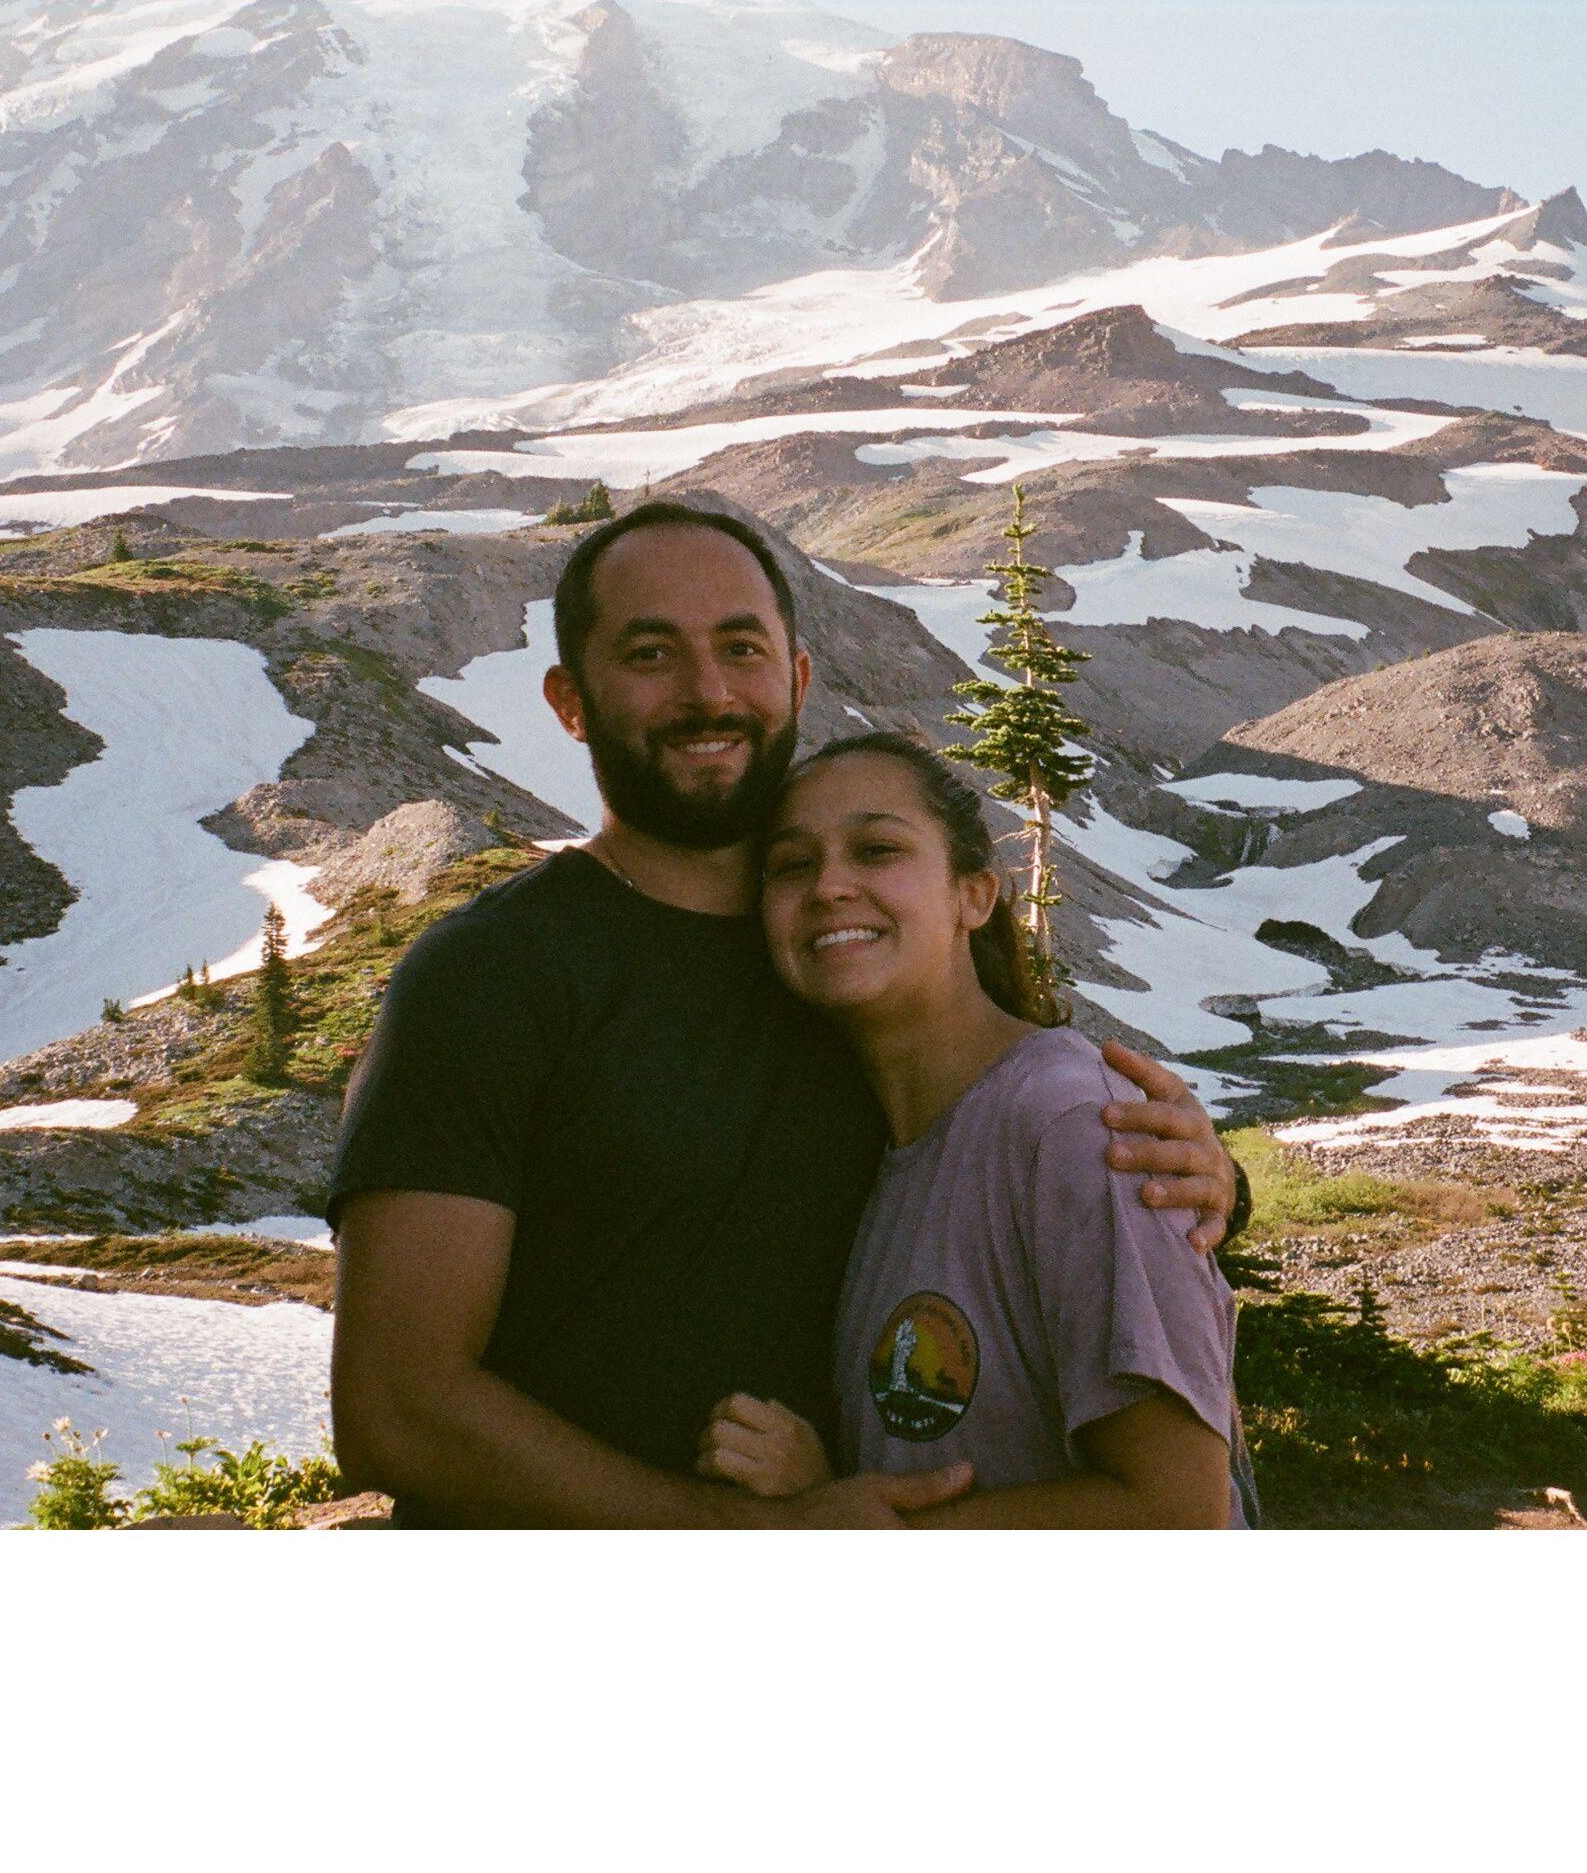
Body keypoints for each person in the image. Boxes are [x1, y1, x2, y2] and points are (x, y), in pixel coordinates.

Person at [327, 500, 1243, 1526]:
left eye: (740, 646)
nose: (706, 690)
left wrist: (1199, 1184)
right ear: (569, 699)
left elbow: (1009, 1149)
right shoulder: (488, 975)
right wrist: (755, 1536)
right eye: (649, 652)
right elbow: (396, 1409)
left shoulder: (843, 969)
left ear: (797, 678)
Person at [699, 735, 1248, 1528]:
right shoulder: (877, 1147)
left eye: (877, 848)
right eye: (790, 865)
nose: (827, 886)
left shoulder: (1071, 1124)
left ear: (976, 896)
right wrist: (826, 1490)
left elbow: (1175, 1509)